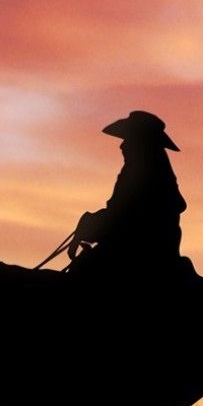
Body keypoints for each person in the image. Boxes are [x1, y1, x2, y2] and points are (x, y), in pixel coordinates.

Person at [68, 110, 187, 281]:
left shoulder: (143, 174)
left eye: (128, 139)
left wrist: (88, 224)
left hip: (138, 250)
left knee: (83, 272)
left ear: (140, 143)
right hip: (151, 246)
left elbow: (122, 216)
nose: (122, 146)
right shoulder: (154, 170)